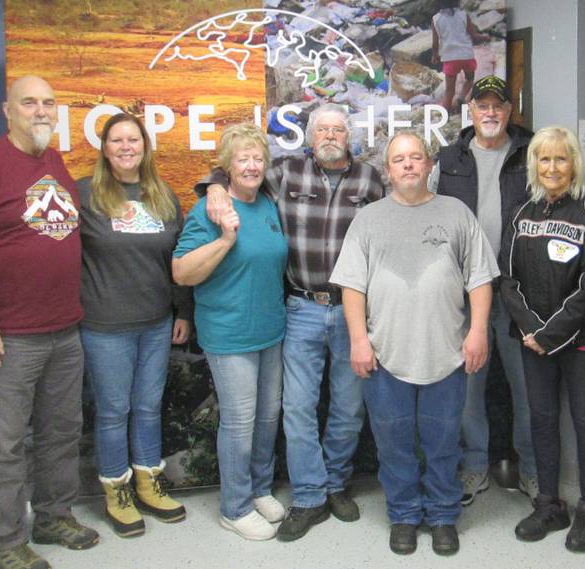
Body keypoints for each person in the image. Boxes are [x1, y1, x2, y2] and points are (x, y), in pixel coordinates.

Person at [197, 104, 385, 541]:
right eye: (322, 129)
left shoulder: (370, 179)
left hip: (355, 311)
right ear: (309, 135)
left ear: (349, 135)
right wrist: (214, 187)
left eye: (338, 128)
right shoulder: (283, 172)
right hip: (300, 308)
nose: (330, 135)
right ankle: (309, 495)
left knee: (348, 407)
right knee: (297, 409)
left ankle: (336, 484)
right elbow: (236, 172)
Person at [0, 76, 99, 569]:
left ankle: (54, 516)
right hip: (8, 336)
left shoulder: (52, 162)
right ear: (6, 110)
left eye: (49, 103)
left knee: (60, 432)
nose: (40, 111)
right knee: (6, 445)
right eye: (29, 102)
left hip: (64, 328)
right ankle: (7, 543)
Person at [331, 131, 498, 556]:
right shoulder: (368, 220)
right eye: (399, 159)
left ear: (428, 165)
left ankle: (443, 515)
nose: (408, 165)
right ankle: (404, 514)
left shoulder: (456, 213)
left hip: (447, 354)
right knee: (394, 443)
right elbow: (352, 285)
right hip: (385, 355)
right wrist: (358, 341)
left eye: (415, 157)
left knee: (443, 442)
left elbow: (479, 278)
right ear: (388, 172)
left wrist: (477, 331)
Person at [500, 126, 585, 553]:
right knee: (541, 419)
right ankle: (549, 503)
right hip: (533, 341)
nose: (552, 167)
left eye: (560, 159)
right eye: (544, 159)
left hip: (582, 337)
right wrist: (533, 330)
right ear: (534, 164)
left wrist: (551, 334)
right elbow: (507, 280)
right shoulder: (520, 212)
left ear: (574, 164)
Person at [78, 113, 191, 538]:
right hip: (105, 326)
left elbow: (175, 258)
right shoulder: (84, 194)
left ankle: (149, 482)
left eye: (134, 140)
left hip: (157, 323)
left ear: (145, 147)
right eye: (117, 140)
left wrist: (183, 312)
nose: (126, 147)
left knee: (147, 407)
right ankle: (116, 490)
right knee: (113, 411)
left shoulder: (160, 195)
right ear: (104, 148)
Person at [174, 123, 288, 541]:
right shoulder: (209, 209)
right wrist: (225, 237)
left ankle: (258, 489)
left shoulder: (268, 205)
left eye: (258, 158)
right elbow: (182, 271)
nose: (252, 165)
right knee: (239, 422)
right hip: (229, 335)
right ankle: (234, 507)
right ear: (227, 166)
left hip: (271, 332)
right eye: (243, 159)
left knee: (267, 417)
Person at [432, 74, 538, 505]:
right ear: (469, 112)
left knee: (527, 387)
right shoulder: (448, 159)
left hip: (519, 293)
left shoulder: (531, 154)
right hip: (463, 293)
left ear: (509, 112)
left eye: (498, 105)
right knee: (468, 389)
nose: (490, 112)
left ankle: (532, 470)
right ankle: (474, 467)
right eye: (482, 105)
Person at [430, 0, 485, 111]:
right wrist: (484, 37)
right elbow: (473, 36)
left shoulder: (436, 19)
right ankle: (461, 97)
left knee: (449, 90)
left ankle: (446, 112)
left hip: (450, 59)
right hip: (466, 56)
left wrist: (435, 55)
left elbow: (435, 43)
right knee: (469, 79)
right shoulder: (464, 15)